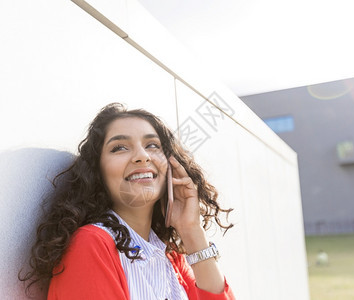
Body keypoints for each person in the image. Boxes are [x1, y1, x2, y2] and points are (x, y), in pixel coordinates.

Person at [19, 103, 235, 299]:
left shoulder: (171, 258)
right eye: (120, 147)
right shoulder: (91, 244)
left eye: (152, 145)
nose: (142, 156)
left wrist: (192, 231)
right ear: (97, 171)